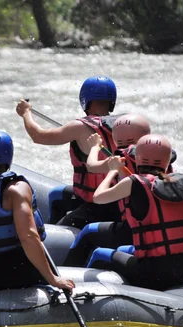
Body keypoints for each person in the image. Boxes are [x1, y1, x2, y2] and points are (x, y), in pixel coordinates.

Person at [0, 130, 75, 293]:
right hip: (28, 275)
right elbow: (29, 236)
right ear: (8, 156)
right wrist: (52, 279)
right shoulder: (16, 189)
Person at [87, 134, 183, 290]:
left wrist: (112, 171)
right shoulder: (177, 185)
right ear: (167, 160)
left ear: (137, 158)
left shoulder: (133, 182)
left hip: (153, 274)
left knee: (100, 254)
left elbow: (98, 197)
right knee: (123, 250)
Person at [15, 76, 121, 228]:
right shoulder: (122, 126)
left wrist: (26, 113)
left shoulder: (78, 127)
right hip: (118, 196)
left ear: (85, 99)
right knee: (56, 196)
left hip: (98, 206)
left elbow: (38, 136)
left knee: (58, 228)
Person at [62, 114, 152, 265]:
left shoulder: (121, 160)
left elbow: (91, 166)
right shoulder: (163, 163)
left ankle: (69, 272)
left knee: (89, 232)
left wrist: (95, 147)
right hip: (150, 229)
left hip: (132, 229)